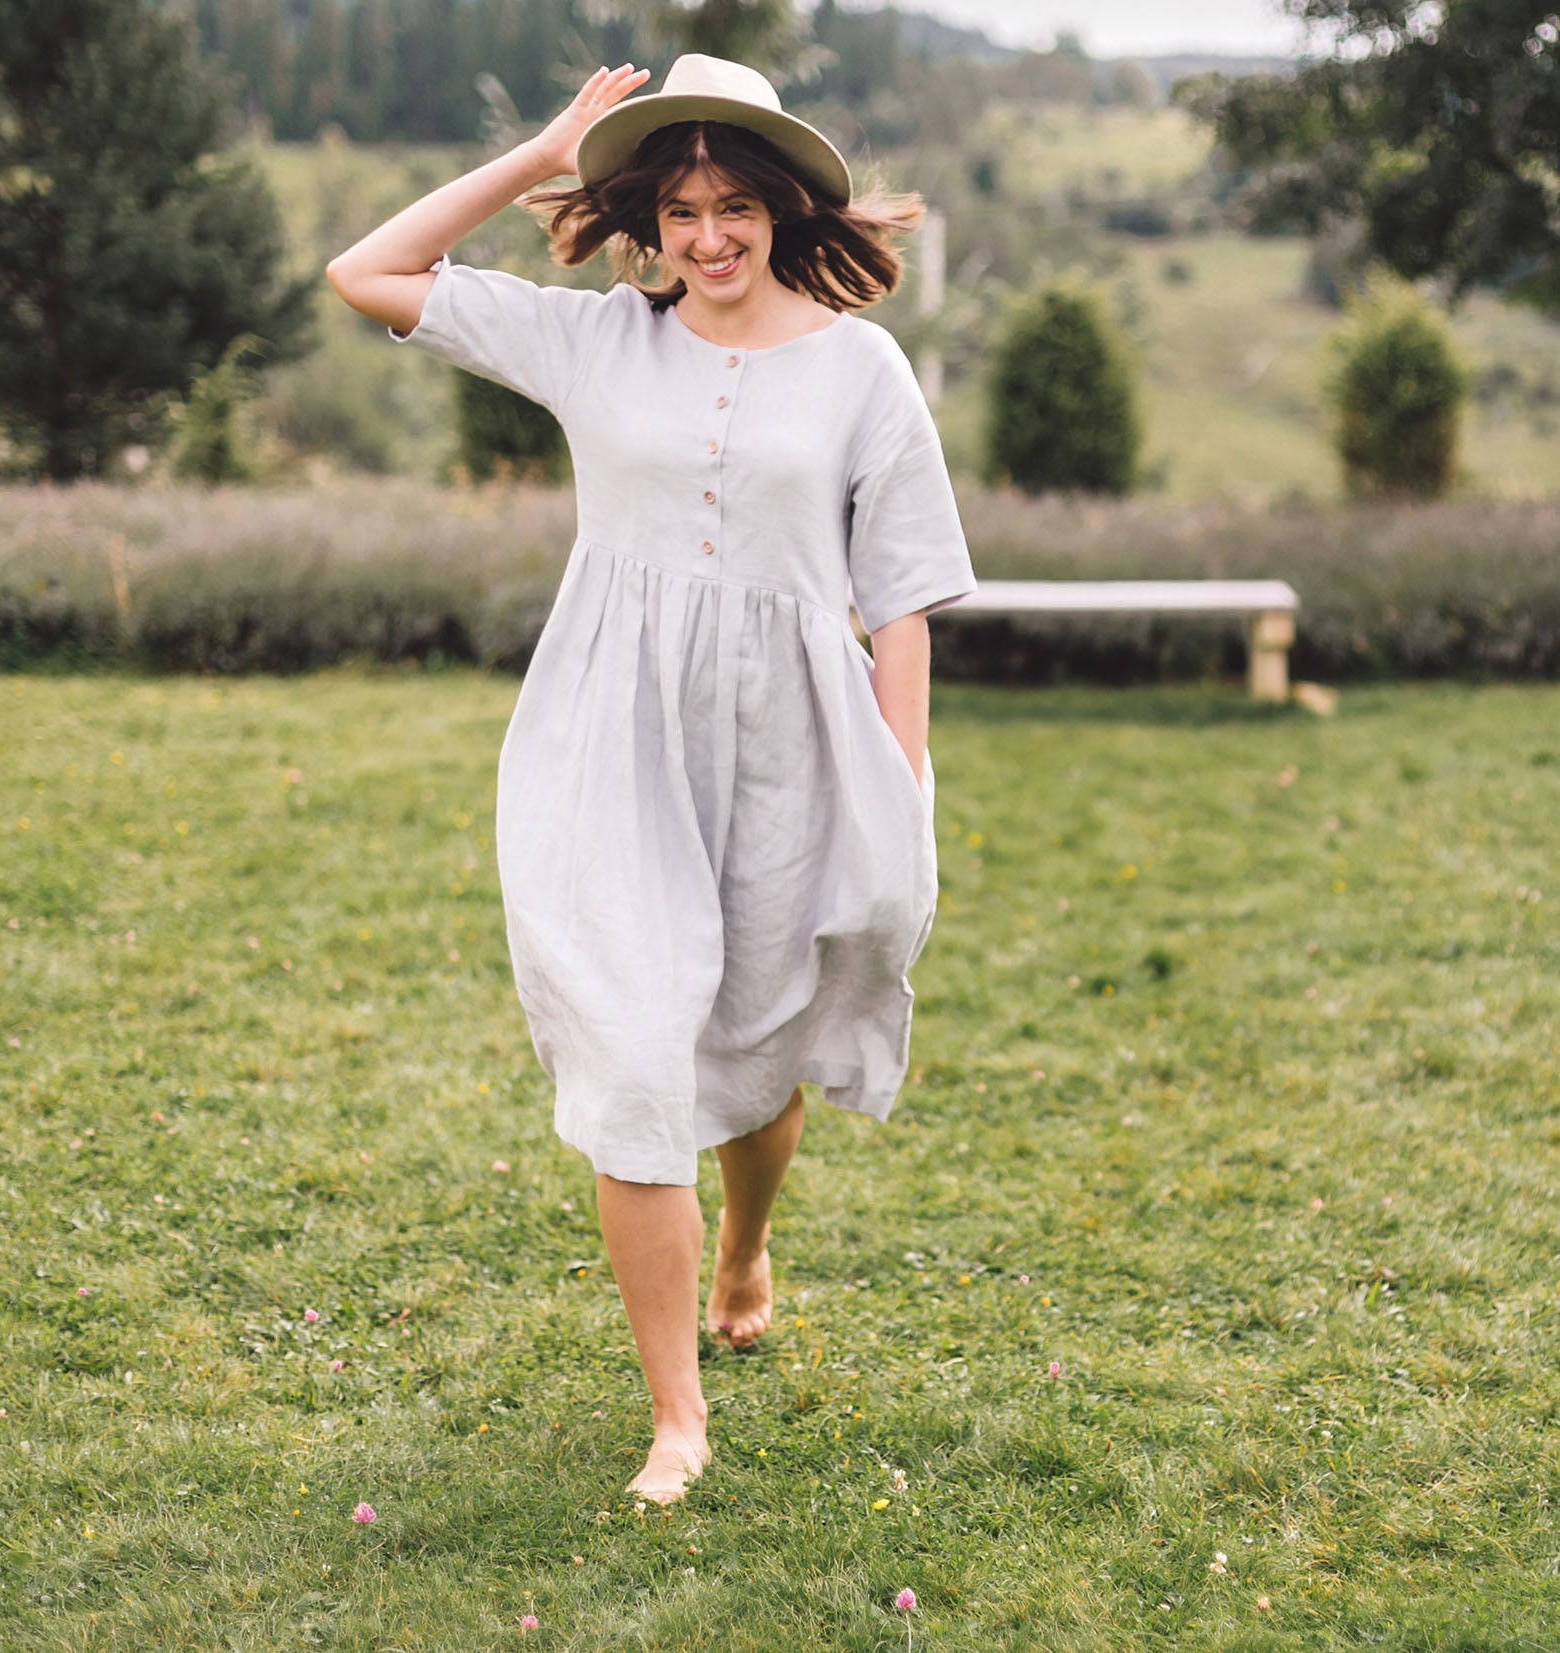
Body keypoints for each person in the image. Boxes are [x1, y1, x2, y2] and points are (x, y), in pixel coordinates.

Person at [326, 53, 978, 1506]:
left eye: (734, 204)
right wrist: (542, 148)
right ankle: (675, 1414)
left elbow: (907, 601)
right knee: (635, 1059)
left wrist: (897, 793)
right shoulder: (594, 344)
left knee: (757, 1042)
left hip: (797, 751)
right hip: (605, 747)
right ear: (641, 219)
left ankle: (746, 1239)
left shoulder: (861, 368)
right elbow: (367, 270)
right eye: (676, 207)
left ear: (783, 208)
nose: (706, 235)